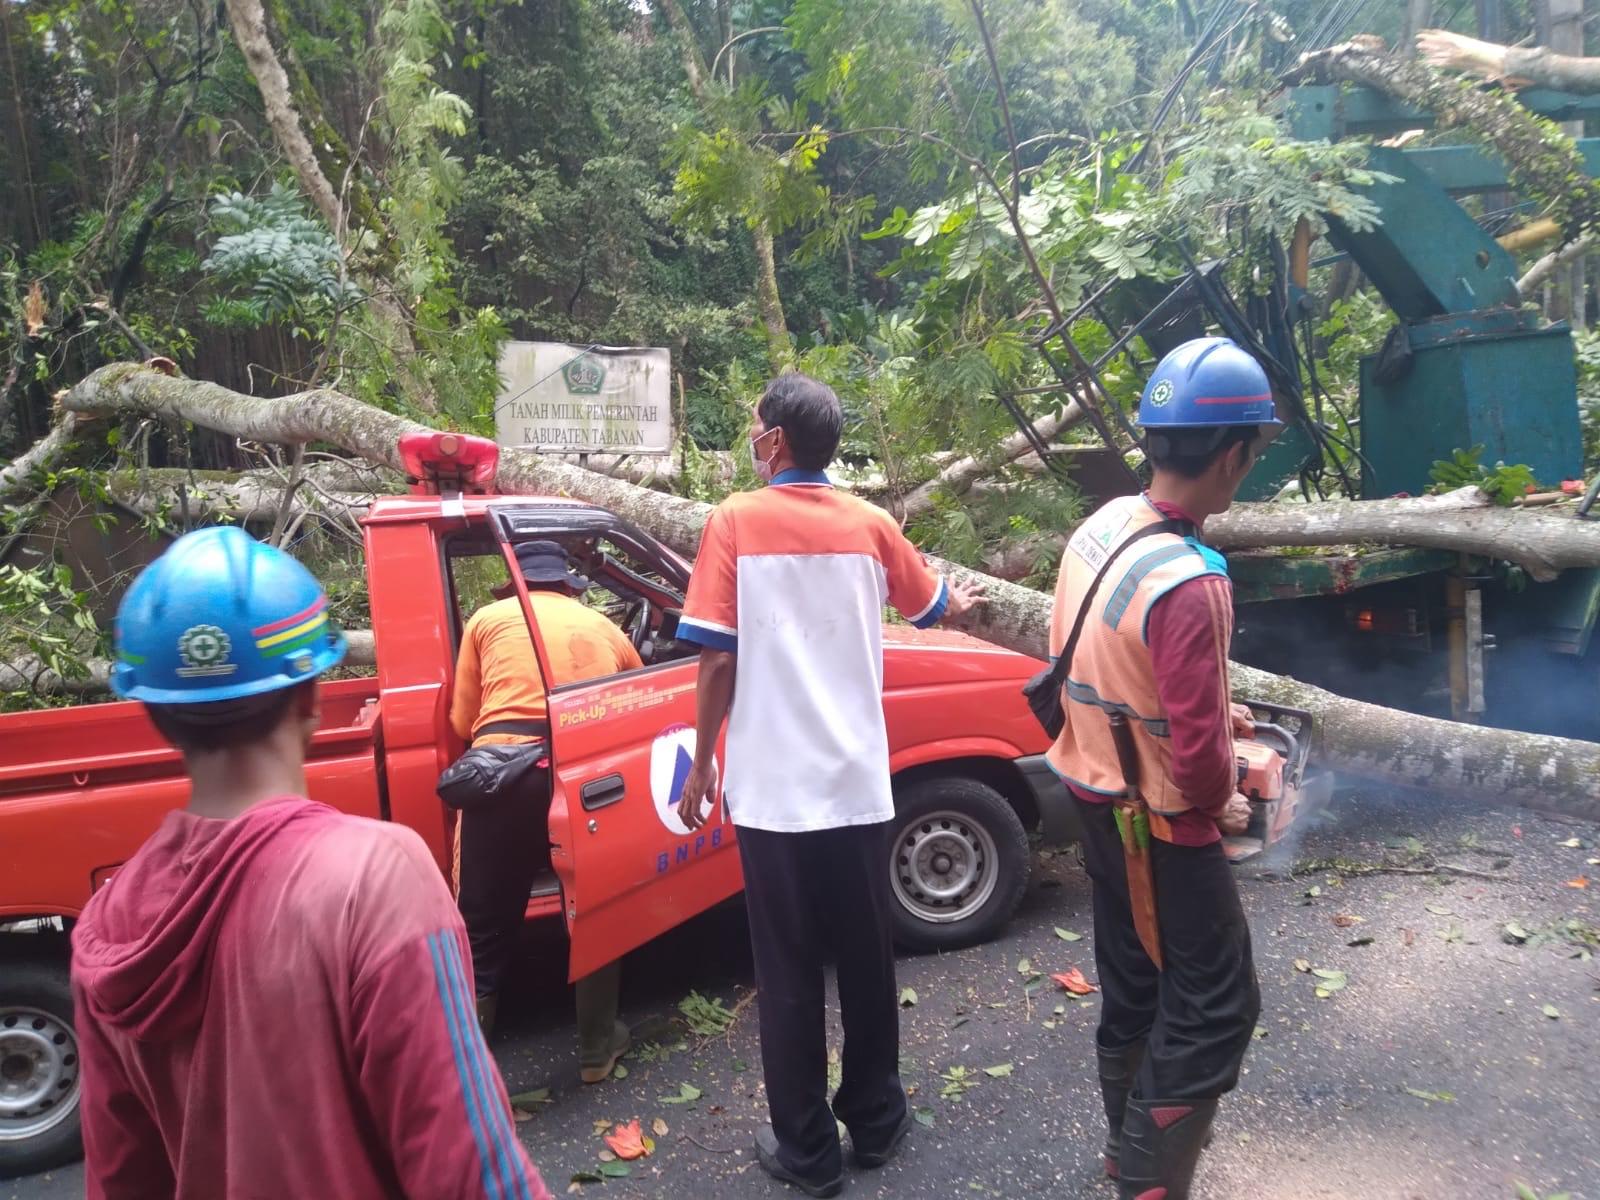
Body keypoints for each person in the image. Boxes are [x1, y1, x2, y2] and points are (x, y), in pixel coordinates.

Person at [71, 526, 551, 1200]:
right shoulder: (378, 879)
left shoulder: (107, 921)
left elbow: (119, 1181)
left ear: (155, 714)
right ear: (312, 697)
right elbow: (471, 1173)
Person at [673, 373, 984, 1198]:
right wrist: (968, 600)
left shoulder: (734, 521)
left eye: (754, 428)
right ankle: (878, 1121)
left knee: (788, 971)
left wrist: (703, 760)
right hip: (855, 785)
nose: (751, 436)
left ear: (774, 441)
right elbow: (932, 605)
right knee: (867, 959)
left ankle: (807, 1152)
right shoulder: (872, 525)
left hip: (773, 792)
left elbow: (714, 659)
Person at [1046, 337, 1274, 1199]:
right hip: (1163, 824)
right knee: (1217, 1007)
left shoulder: (1103, 525)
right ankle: (1148, 1183)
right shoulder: (1192, 581)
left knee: (1136, 982)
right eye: (1250, 455)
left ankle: (1125, 1154)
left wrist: (1214, 703)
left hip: (1094, 796)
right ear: (1233, 454)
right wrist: (1223, 802)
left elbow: (1106, 657)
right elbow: (1205, 770)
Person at [449, 539, 640, 1083]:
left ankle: (470, 1077)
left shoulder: (487, 619)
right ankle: (597, 1050)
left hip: (500, 776)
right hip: (581, 778)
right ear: (569, 587)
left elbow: (464, 722)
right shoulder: (603, 628)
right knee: (595, 908)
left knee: (483, 923)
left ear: (515, 587)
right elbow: (642, 699)